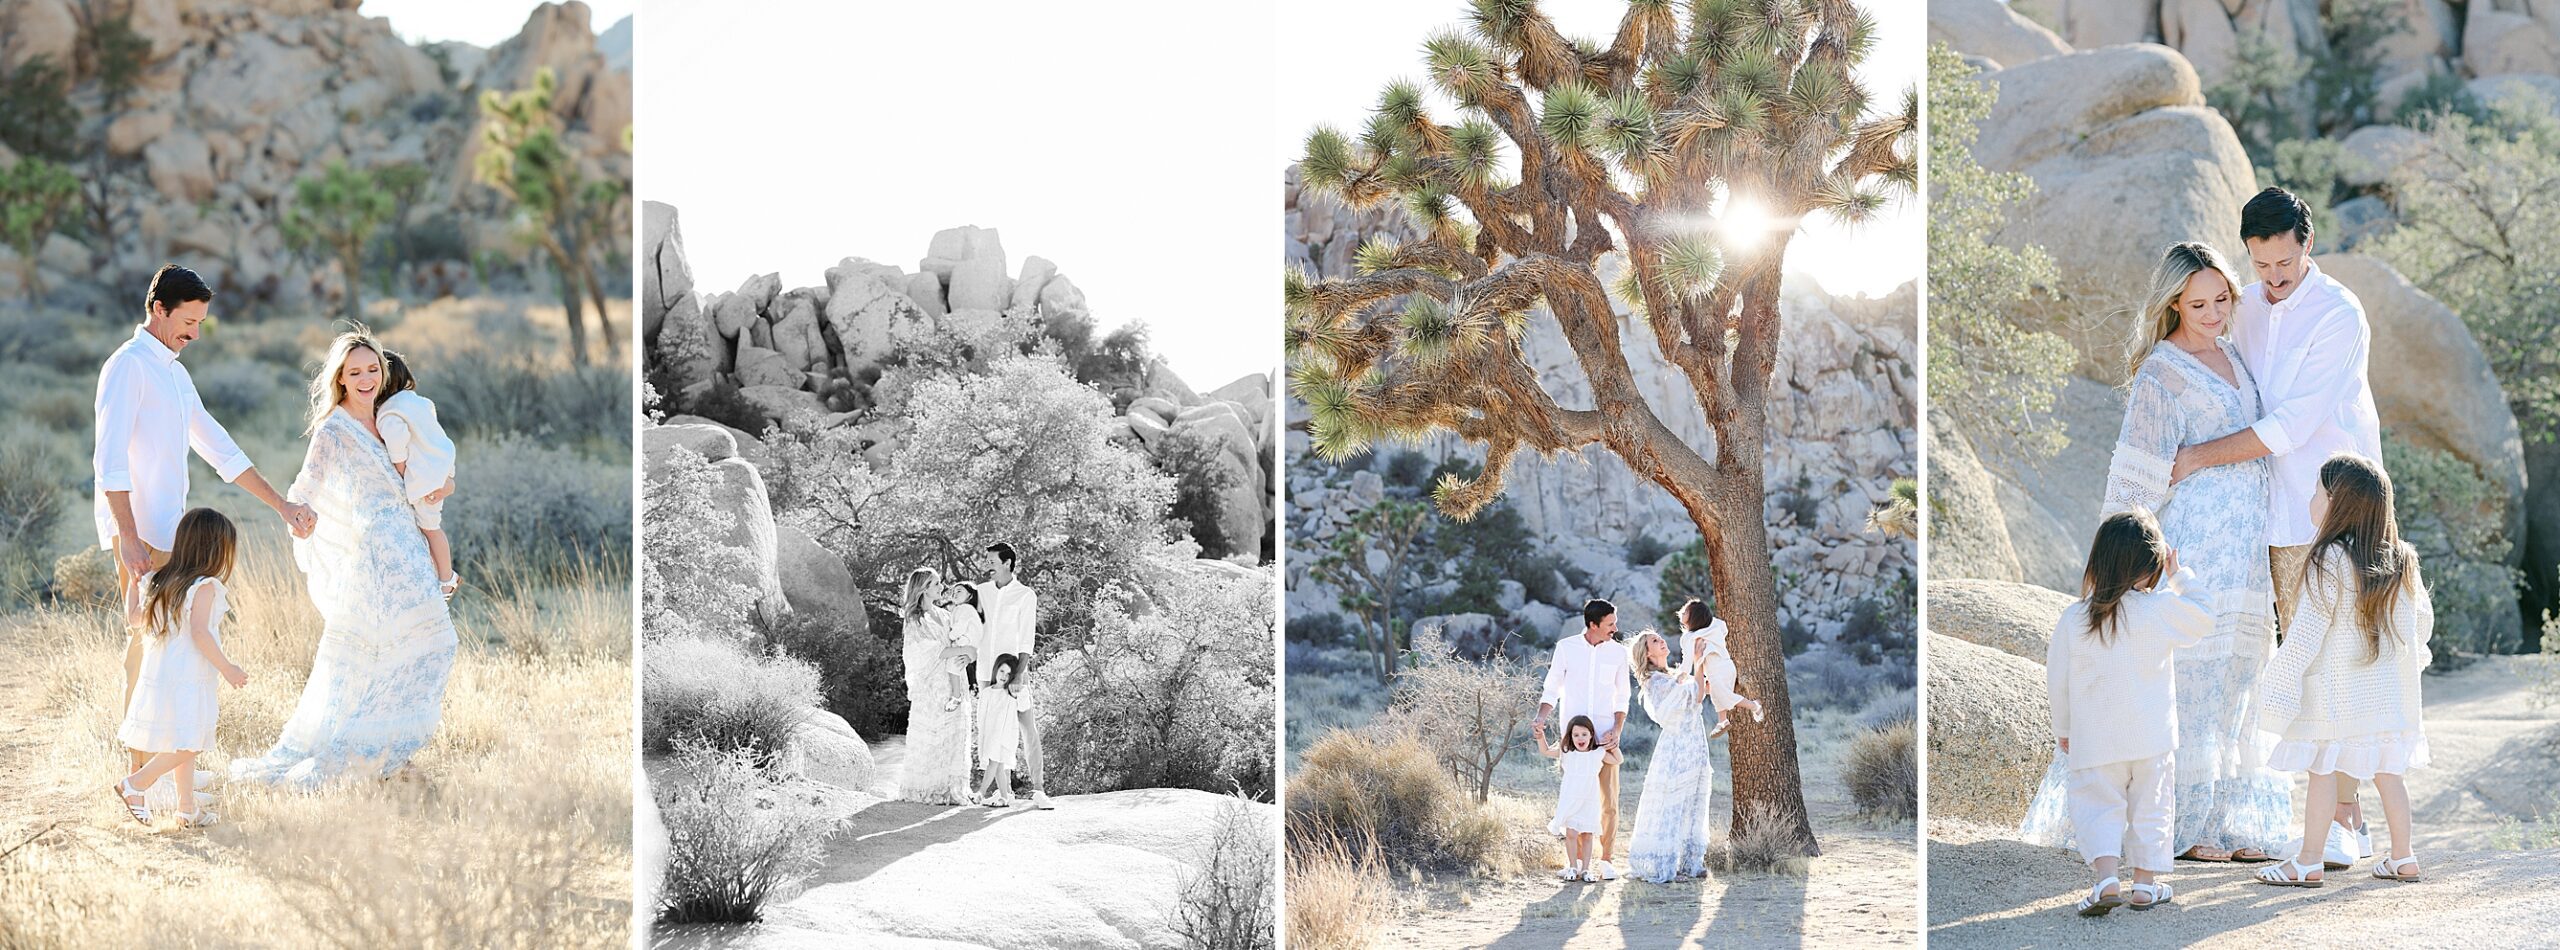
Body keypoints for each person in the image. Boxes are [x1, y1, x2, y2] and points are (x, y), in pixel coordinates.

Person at [2020, 242, 2290, 864]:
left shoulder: (2233, 353)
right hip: (2195, 536)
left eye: (2223, 298)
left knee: (2241, 674)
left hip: (2247, 541)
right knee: (2193, 674)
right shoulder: (2160, 373)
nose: (2215, 312)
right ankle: (2184, 823)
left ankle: (2232, 819)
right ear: (2173, 304)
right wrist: (2113, 564)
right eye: (2199, 303)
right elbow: (2136, 477)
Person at [2176, 187, 2388, 857]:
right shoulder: (2244, 305)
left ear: (2308, 244)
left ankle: (2347, 820)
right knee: (2282, 667)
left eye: (2283, 265)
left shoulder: (2338, 315)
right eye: (2261, 265)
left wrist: (2198, 458)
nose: (2271, 279)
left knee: (2341, 661)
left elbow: (2292, 425)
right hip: (2266, 514)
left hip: (2336, 515)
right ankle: (2275, 814)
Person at [93, 264, 313, 783]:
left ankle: (159, 776)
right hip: (142, 532)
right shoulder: (127, 366)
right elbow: (109, 461)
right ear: (158, 309)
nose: (194, 334)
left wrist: (280, 505)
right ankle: (141, 775)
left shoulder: (173, 370)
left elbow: (217, 445)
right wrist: (127, 536)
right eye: (187, 322)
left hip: (174, 530)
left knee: (169, 648)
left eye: (200, 323)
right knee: (148, 649)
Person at [229, 332, 459, 788]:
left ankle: (381, 753)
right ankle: (359, 756)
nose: (366, 378)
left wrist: (441, 488)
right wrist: (299, 514)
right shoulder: (334, 429)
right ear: (340, 378)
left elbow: (437, 472)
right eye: (355, 372)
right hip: (374, 553)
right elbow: (305, 488)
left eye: (372, 369)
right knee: (378, 657)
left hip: (410, 547)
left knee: (430, 647)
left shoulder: (394, 414)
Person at [2254, 454, 2431, 888]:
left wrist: (2277, 681)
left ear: (2336, 502)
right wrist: (2413, 664)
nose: (2312, 499)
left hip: (2338, 697)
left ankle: (2308, 862)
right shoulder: (2403, 559)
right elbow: (2420, 625)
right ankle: (2404, 857)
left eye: (2318, 492)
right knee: (2390, 774)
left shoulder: (2328, 559)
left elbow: (2305, 636)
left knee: (2322, 773)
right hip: (2386, 697)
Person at [2047, 510, 2213, 915]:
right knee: (2151, 807)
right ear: (2150, 568)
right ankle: (2144, 885)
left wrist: (2064, 729)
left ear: (2098, 561)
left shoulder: (2075, 618)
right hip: (2152, 738)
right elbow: (2206, 616)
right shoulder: (2158, 610)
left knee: (2097, 805)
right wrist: (2179, 576)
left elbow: (2059, 682)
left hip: (2096, 736)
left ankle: (2106, 879)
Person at [111, 508, 250, 829]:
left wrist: (135, 583)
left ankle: (186, 810)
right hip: (188, 675)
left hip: (161, 675)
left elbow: (133, 620)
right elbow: (200, 632)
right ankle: (137, 784)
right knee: (192, 742)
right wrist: (227, 668)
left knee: (182, 740)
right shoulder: (204, 587)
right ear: (215, 551)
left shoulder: (158, 581)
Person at [1625, 604, 1764, 884]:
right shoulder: (1654, 681)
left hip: (1695, 742)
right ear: (1647, 654)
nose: (1661, 640)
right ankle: (1666, 864)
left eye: (1659, 637)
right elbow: (1696, 696)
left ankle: (1690, 862)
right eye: (1654, 641)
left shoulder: (1676, 674)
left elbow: (1702, 688)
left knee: (1693, 800)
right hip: (1677, 747)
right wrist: (1699, 663)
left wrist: (1717, 674)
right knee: (1673, 802)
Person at [1538, 599, 1632, 879]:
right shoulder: (1567, 648)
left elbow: (1622, 694)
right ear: (1593, 625)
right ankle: (1579, 862)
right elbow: (1552, 687)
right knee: (1578, 799)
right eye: (1610, 624)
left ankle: (1606, 859)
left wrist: (1616, 729)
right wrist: (1541, 718)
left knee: (1609, 802)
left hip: (1604, 739)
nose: (1615, 628)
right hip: (1575, 740)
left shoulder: (1617, 653)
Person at [375, 350, 460, 599]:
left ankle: (447, 579)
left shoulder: (389, 413)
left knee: (431, 529)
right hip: (441, 466)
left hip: (424, 480)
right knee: (429, 528)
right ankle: (441, 575)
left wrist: (401, 476)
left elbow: (398, 448)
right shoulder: (419, 403)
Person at [979, 542, 1053, 809]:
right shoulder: (982, 592)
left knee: (1027, 729)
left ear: (1007, 563)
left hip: (1014, 672)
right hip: (987, 672)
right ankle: (1004, 792)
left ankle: (1039, 790)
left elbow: (1026, 640)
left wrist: (1020, 676)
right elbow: (971, 624)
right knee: (993, 732)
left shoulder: (1025, 595)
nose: (988, 566)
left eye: (992, 561)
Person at [895, 567, 977, 805]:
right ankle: (927, 788)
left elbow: (960, 638)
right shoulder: (914, 618)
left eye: (940, 583)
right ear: (923, 589)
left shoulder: (945, 614)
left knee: (954, 733)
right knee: (933, 734)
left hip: (953, 678)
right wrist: (963, 650)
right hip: (932, 684)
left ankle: (951, 788)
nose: (942, 587)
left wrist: (968, 652)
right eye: (936, 584)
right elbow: (924, 651)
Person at [1534, 714, 1620, 883]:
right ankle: (1573, 867)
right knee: (1571, 834)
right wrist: (1540, 737)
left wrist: (1612, 743)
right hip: (1571, 799)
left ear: (1591, 735)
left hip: (1589, 800)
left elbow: (1618, 759)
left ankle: (1586, 869)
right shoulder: (1567, 753)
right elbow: (1545, 751)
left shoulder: (1597, 753)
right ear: (1571, 737)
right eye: (1576, 735)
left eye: (1584, 734)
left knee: (1587, 835)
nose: (1580, 738)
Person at [976, 653, 1026, 808]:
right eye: (1002, 671)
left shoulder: (1011, 694)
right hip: (990, 734)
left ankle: (980, 793)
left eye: (1009, 674)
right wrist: (982, 735)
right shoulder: (987, 693)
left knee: (994, 762)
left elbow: (1024, 707)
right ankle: (1004, 797)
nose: (1004, 676)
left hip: (1004, 736)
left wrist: (1020, 691)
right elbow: (980, 716)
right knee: (998, 767)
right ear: (996, 670)